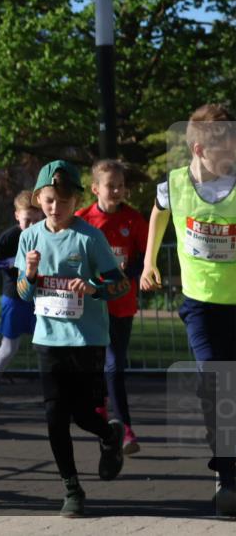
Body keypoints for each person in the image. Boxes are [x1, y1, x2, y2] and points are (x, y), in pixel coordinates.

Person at [16, 160, 129, 517]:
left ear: (76, 199)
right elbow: (22, 293)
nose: (56, 207)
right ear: (38, 199)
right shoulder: (29, 237)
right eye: (49, 200)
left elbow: (119, 284)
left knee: (83, 414)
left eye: (63, 201)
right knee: (54, 415)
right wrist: (31, 275)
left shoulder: (89, 236)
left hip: (87, 339)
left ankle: (110, 436)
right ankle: (71, 487)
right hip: (48, 339)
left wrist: (94, 288)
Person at [140, 103, 235, 517]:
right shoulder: (174, 185)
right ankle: (228, 475)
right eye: (224, 151)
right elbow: (158, 214)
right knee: (215, 384)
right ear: (198, 149)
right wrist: (149, 261)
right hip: (200, 305)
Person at [76, 159, 148, 454]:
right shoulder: (82, 219)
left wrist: (121, 276)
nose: (117, 190)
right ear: (95, 189)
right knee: (95, 368)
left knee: (115, 366)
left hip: (121, 304)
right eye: (110, 185)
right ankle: (102, 417)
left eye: (121, 185)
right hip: (90, 307)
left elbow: (143, 261)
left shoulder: (134, 220)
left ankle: (126, 428)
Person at [0, 190, 43, 411]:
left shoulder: (46, 234)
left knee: (45, 346)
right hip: (14, 296)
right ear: (17, 215)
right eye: (28, 220)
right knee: (9, 347)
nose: (33, 225)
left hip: (40, 297)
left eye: (38, 220)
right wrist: (14, 262)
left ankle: (54, 393)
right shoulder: (10, 236)